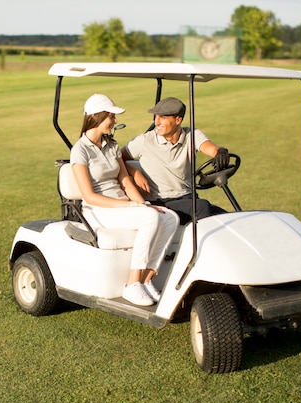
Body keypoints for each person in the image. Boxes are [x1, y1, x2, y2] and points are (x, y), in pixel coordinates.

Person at [70, 94, 180, 306]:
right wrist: (131, 206)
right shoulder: (80, 151)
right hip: (97, 211)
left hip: (120, 207)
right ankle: (131, 284)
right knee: (149, 218)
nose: (114, 121)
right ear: (95, 117)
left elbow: (126, 181)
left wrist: (144, 205)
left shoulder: (111, 145)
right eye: (110, 116)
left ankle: (146, 279)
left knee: (169, 218)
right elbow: (89, 196)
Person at [121, 97, 230, 225]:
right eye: (156, 117)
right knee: (202, 207)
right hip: (161, 202)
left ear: (178, 120)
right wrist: (134, 172)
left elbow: (211, 149)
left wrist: (220, 152)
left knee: (229, 218)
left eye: (162, 117)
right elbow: (117, 158)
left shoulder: (191, 135)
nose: (157, 122)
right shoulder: (145, 141)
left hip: (188, 198)